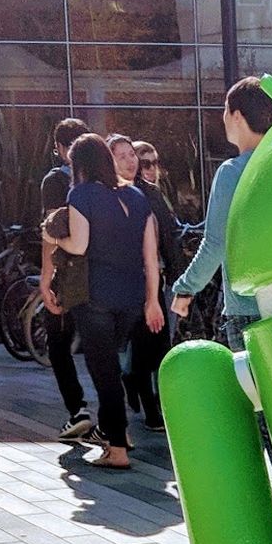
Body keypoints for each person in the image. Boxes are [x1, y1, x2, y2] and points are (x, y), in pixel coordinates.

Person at [48, 133, 163, 469]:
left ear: (79, 164)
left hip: (96, 294)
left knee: (105, 372)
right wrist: (152, 300)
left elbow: (79, 245)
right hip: (132, 298)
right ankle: (118, 433)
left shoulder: (81, 194)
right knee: (110, 363)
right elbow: (150, 256)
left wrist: (51, 235)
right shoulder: (137, 195)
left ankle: (116, 448)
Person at [171, 75, 272, 350]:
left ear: (238, 116)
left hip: (249, 307)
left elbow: (216, 243)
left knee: (254, 391)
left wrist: (185, 288)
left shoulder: (233, 172)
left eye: (225, 110)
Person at [107, 133, 179, 431]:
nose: (130, 161)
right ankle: (146, 401)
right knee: (138, 343)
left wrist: (177, 277)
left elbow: (171, 237)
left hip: (153, 281)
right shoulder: (106, 195)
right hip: (122, 283)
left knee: (158, 344)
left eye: (131, 154)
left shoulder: (150, 193)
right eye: (121, 156)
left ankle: (154, 402)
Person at [39, 117, 94, 439]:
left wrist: (47, 278)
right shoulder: (105, 181)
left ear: (61, 149)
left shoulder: (55, 181)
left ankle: (78, 410)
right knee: (100, 345)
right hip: (100, 273)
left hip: (68, 273)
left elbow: (52, 229)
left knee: (59, 345)